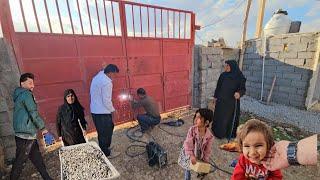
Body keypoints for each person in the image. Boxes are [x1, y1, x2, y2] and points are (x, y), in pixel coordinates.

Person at [10, 73, 53, 180]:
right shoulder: (26, 94)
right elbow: (33, 113)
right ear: (22, 83)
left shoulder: (19, 95)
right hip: (26, 135)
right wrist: (43, 129)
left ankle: (47, 178)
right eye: (30, 83)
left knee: (37, 160)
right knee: (20, 162)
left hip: (28, 134)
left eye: (33, 83)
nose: (32, 86)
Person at [90, 64, 119, 157]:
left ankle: (106, 147)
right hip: (102, 112)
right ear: (110, 73)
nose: (114, 77)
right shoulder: (107, 82)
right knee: (105, 133)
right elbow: (106, 100)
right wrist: (113, 111)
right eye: (114, 74)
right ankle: (106, 154)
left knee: (105, 130)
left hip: (96, 110)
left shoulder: (98, 76)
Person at [212, 60, 246, 139]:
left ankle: (228, 134)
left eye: (227, 66)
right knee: (219, 116)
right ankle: (218, 133)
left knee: (227, 118)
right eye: (225, 65)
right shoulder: (223, 75)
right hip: (221, 101)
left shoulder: (239, 77)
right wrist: (215, 97)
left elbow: (243, 89)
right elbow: (218, 87)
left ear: (233, 66)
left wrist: (239, 93)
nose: (225, 67)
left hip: (231, 102)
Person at [183, 108, 214, 180]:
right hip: (189, 152)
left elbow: (207, 150)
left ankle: (199, 174)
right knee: (188, 167)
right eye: (195, 117)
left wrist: (206, 160)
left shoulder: (210, 137)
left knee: (199, 167)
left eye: (198, 118)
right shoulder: (192, 130)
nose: (195, 119)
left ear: (206, 123)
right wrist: (191, 156)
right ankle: (187, 178)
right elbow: (188, 145)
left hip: (199, 154)